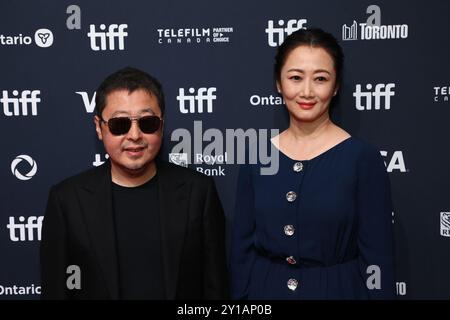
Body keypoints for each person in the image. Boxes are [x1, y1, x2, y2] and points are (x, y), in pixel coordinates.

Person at [230, 29, 395, 299]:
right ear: (279, 83)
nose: (306, 91)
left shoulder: (362, 159)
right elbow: (241, 252)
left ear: (336, 86)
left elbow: (378, 258)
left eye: (320, 79)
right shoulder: (256, 156)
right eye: (295, 78)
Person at [40, 67, 229, 299]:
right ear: (99, 128)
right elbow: (56, 292)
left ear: (161, 124)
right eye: (120, 125)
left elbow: (215, 288)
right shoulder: (67, 201)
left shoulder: (198, 192)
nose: (135, 135)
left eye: (147, 123)